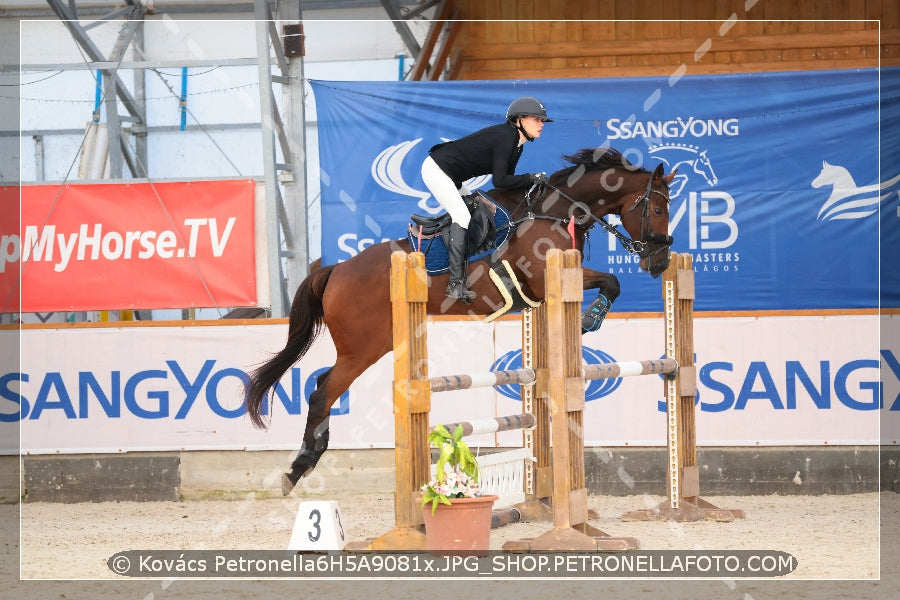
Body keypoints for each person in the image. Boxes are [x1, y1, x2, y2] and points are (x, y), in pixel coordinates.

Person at [421, 96, 552, 304]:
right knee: (462, 216)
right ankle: (455, 283)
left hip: (451, 175)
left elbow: (507, 181)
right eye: (536, 119)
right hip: (437, 169)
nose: (541, 124)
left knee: (477, 213)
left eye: (542, 120)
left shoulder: (518, 144)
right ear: (519, 120)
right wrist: (530, 178)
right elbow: (500, 180)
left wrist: (532, 182)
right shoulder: (506, 138)